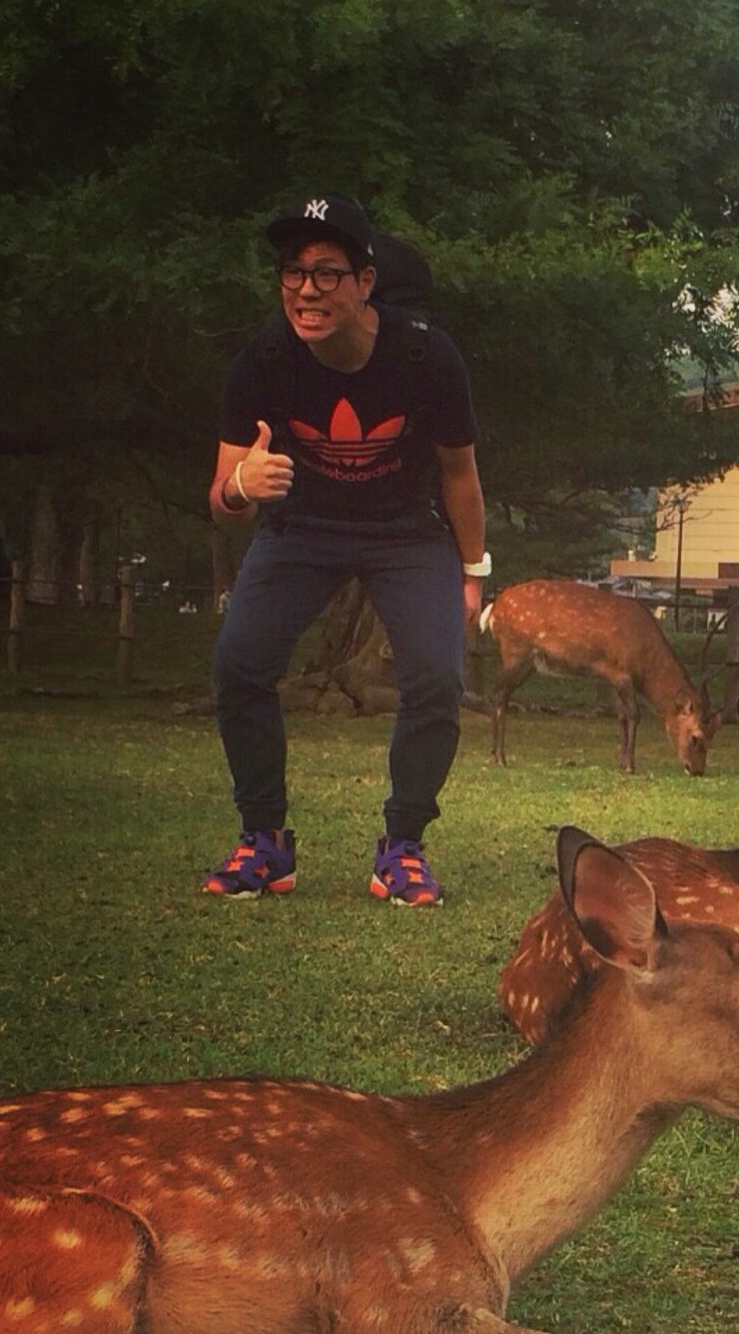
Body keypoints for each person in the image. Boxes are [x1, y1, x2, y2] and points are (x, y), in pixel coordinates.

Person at [203, 194, 488, 906]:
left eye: (327, 273)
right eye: (293, 272)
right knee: (238, 663)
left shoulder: (426, 355)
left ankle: (403, 848)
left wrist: (473, 570)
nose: (307, 290)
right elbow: (223, 501)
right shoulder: (263, 360)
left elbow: (459, 474)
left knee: (436, 678)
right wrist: (240, 486)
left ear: (365, 282)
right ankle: (263, 841)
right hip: (302, 527)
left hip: (406, 530)